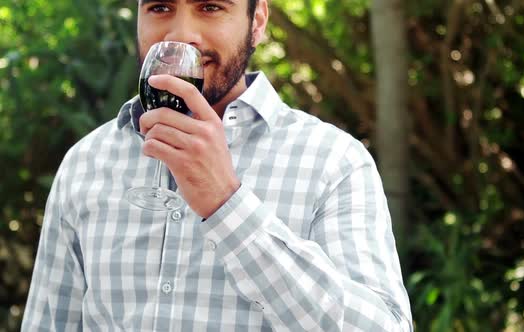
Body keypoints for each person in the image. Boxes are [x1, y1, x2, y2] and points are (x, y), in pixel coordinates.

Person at [21, 0, 413, 330]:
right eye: (159, 7)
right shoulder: (86, 162)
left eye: (210, 7)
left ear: (256, 22)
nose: (180, 34)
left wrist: (227, 203)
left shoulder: (334, 161)